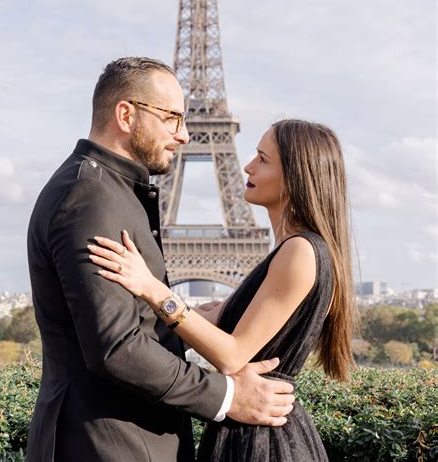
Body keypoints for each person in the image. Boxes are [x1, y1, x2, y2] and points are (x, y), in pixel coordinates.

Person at [26, 57, 295, 462]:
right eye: (171, 119)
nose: (184, 134)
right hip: (109, 447)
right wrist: (227, 396)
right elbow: (117, 347)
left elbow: (128, 326)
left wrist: (190, 318)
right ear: (125, 114)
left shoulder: (112, 190)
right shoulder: (91, 197)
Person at [88, 118, 356, 461]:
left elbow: (232, 354)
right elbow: (218, 327)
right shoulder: (293, 251)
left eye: (262, 159)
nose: (247, 166)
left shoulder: (301, 252)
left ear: (295, 176)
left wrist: (153, 290)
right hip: (256, 429)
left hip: (262, 439)